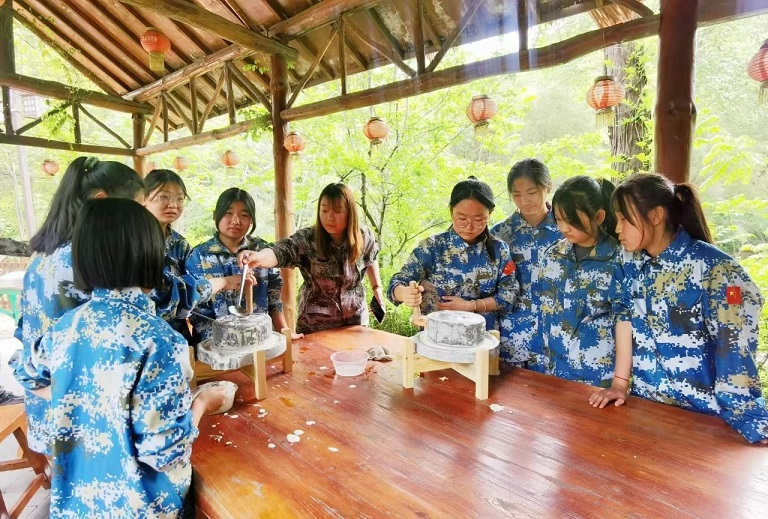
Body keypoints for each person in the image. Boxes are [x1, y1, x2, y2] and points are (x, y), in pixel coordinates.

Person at [14, 198, 228, 516]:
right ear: (152, 257)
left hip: (77, 508)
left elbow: (26, 373)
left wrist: (88, 404)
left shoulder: (65, 328)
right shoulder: (160, 341)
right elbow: (166, 452)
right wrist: (204, 402)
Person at [605, 173, 767, 443]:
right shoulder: (629, 263)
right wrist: (620, 384)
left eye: (624, 218)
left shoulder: (716, 270)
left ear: (656, 216)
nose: (617, 229)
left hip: (706, 422)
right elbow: (624, 317)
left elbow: (735, 349)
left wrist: (748, 423)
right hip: (647, 414)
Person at [10, 156, 144, 454]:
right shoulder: (88, 261)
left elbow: (27, 337)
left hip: (48, 410)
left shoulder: (45, 255)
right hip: (83, 419)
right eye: (136, 210)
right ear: (101, 200)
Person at [239, 183, 383, 335]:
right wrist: (259, 257)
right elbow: (281, 251)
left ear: (350, 212)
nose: (329, 217)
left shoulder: (364, 235)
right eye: (324, 210)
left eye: (337, 210)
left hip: (355, 321)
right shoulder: (307, 239)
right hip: (316, 325)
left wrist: (377, 287)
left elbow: (371, 258)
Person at [532, 175, 632, 394]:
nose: (564, 228)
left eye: (572, 220)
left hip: (599, 380)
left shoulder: (620, 260)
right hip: (554, 373)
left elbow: (626, 323)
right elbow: (541, 311)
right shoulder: (552, 255)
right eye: (558, 219)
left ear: (598, 216)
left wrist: (620, 382)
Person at [387, 178, 519, 332]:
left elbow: (509, 294)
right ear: (451, 211)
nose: (469, 226)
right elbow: (397, 282)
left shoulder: (499, 251)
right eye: (462, 218)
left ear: (490, 214)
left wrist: (471, 306)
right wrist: (404, 293)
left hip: (481, 341)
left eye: (479, 219)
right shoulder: (432, 247)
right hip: (436, 340)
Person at [143, 170, 239, 340]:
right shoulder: (133, 242)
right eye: (163, 197)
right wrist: (222, 282)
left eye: (179, 198)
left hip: (176, 335)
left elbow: (194, 288)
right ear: (143, 198)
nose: (173, 204)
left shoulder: (180, 244)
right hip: (143, 333)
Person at [187, 188, 290, 343]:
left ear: (251, 220)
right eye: (228, 213)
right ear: (216, 215)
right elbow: (193, 308)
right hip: (215, 346)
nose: (236, 221)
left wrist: (284, 332)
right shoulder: (198, 256)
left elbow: (274, 300)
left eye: (244, 215)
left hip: (260, 341)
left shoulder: (262, 252)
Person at [491, 159, 562, 364]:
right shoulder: (499, 235)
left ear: (547, 187)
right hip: (511, 341)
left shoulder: (566, 230)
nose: (524, 201)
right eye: (517, 195)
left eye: (531, 193)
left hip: (556, 342)